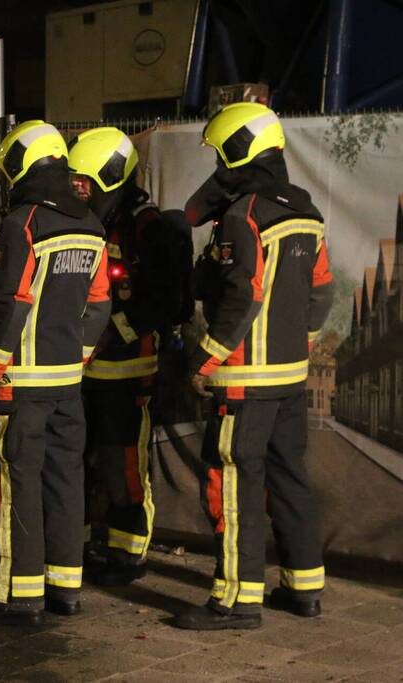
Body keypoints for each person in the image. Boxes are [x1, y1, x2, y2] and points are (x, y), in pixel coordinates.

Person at [175, 103, 333, 630]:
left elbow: (243, 295)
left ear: (239, 151)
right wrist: (301, 342)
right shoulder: (306, 211)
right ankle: (304, 589)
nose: (218, 165)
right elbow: (323, 290)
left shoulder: (244, 216)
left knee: (233, 483)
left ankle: (236, 602)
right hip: (289, 378)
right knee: (290, 477)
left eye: (222, 155)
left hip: (244, 381)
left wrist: (205, 358)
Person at [0, 120, 111, 626]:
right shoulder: (91, 225)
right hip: (68, 385)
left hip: (21, 384)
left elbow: (11, 304)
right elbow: (99, 305)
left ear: (23, 163)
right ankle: (65, 589)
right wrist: (79, 358)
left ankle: (18, 598)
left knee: (19, 485)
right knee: (66, 481)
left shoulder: (23, 223)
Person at [67, 127, 187, 586]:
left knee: (123, 463)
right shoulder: (78, 220)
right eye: (75, 181)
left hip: (126, 370)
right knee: (73, 460)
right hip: (77, 370)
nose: (79, 189)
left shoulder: (146, 227)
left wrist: (110, 332)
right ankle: (72, 548)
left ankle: (127, 554)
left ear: (112, 176)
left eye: (86, 181)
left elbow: (165, 300)